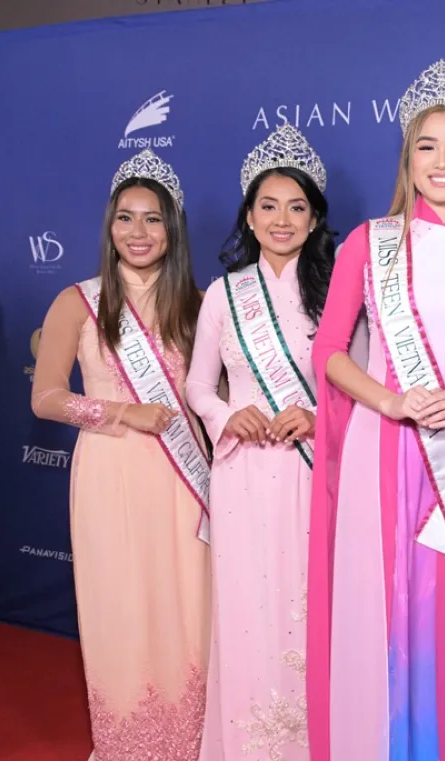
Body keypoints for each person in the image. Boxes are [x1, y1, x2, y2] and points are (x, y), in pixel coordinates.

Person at [305, 60, 445, 761]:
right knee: (385, 603)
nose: (442, 160)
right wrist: (392, 399)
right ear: (407, 158)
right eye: (427, 145)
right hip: (381, 445)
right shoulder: (368, 243)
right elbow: (331, 351)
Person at [31, 149, 211, 760]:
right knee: (122, 604)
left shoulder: (201, 300)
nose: (139, 233)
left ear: (173, 229)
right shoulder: (77, 302)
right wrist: (118, 412)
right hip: (110, 473)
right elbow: (46, 398)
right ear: (109, 227)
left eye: (153, 219)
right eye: (126, 218)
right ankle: (131, 742)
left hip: (184, 477)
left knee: (191, 601)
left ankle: (197, 738)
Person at [186, 123, 334, 760]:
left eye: (296, 207)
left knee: (310, 607)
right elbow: (196, 386)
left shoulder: (333, 287)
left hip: (309, 468)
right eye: (268, 206)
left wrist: (316, 413)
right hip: (244, 470)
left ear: (314, 217)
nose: (282, 219)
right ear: (248, 216)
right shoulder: (224, 292)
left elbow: (355, 385)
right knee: (248, 609)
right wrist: (227, 415)